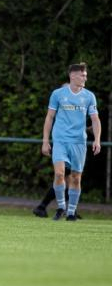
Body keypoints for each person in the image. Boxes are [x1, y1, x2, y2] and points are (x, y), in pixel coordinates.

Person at [41, 63, 101, 221]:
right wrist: (45, 141)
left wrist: (97, 139)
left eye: (86, 75)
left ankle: (71, 212)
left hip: (79, 142)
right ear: (73, 76)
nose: (85, 78)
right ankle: (61, 207)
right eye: (83, 75)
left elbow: (95, 119)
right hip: (60, 139)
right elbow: (49, 117)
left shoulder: (89, 96)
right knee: (59, 173)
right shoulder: (58, 94)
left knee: (75, 177)